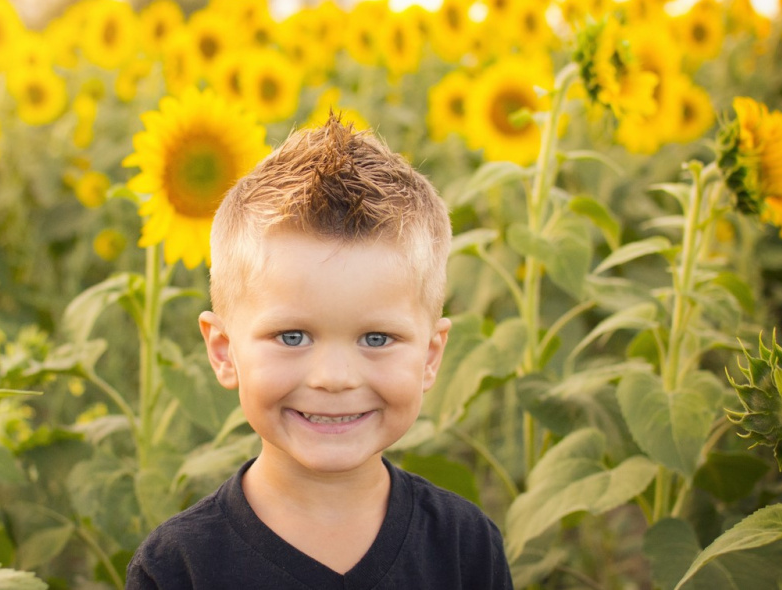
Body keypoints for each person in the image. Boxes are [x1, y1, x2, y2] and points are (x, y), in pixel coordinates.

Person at [125, 114, 513, 589]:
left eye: (376, 339)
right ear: (224, 352)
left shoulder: (463, 547)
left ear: (430, 357)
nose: (333, 377)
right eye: (292, 337)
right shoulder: (180, 567)